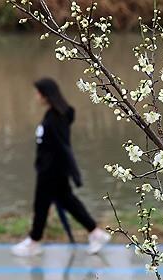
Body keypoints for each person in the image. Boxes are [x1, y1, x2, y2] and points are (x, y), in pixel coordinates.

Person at [12, 78, 111, 257]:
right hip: (52, 169)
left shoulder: (56, 117)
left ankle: (34, 242)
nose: (36, 96)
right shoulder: (53, 114)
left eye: (38, 92)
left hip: (51, 171)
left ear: (45, 94)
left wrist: (68, 171)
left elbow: (62, 146)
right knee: (68, 202)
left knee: (41, 205)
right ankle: (95, 233)